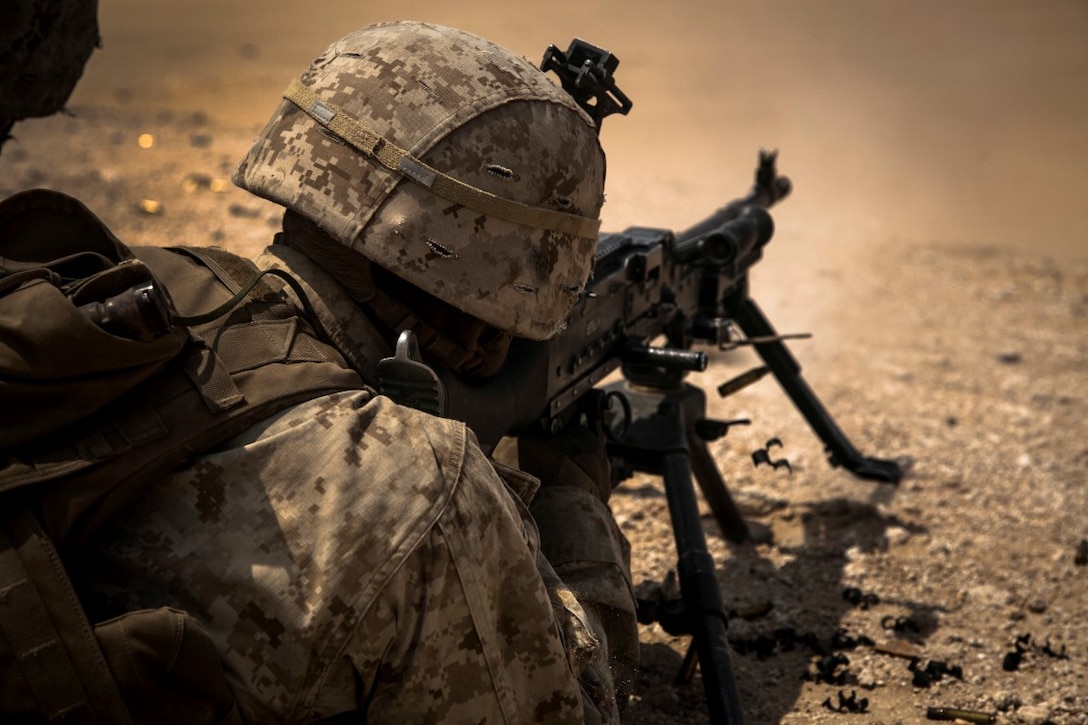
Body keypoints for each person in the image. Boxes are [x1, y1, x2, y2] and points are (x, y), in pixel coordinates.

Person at [78, 21, 638, 724]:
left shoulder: (132, 297)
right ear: (482, 332)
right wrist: (568, 505)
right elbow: (576, 709)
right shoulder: (423, 488)